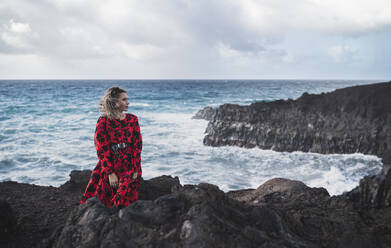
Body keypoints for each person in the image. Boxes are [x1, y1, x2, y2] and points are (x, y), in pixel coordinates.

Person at [80, 86, 142, 208]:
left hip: (129, 165)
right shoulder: (103, 121)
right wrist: (110, 172)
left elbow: (137, 145)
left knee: (123, 199)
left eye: (127, 99)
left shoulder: (132, 119)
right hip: (111, 164)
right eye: (124, 99)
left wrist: (135, 168)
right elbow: (101, 148)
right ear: (114, 102)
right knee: (99, 201)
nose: (128, 102)